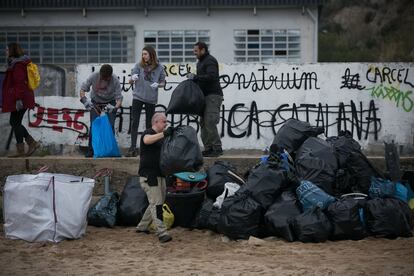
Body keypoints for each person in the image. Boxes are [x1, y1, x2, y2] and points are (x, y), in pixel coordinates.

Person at [136, 112, 173, 243]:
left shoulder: (161, 138)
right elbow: (147, 140)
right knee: (157, 205)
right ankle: (162, 233)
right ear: (156, 122)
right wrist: (164, 134)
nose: (166, 124)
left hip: (160, 175)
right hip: (149, 176)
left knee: (157, 202)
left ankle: (142, 226)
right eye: (164, 122)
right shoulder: (148, 132)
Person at [126, 46, 166, 157]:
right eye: (142, 54)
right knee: (135, 122)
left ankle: (147, 147)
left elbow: (163, 82)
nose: (143, 56)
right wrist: (132, 79)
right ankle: (133, 147)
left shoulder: (159, 67)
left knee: (149, 123)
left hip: (151, 99)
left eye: (145, 54)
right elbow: (130, 81)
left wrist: (158, 84)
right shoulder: (138, 66)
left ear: (151, 55)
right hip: (138, 97)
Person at [2, 42, 40, 157]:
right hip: (21, 97)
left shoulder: (18, 65)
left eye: (7, 50)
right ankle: (30, 144)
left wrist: (18, 100)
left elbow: (20, 83)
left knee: (15, 122)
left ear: (12, 50)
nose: (6, 51)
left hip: (21, 98)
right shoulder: (17, 63)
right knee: (15, 122)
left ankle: (24, 148)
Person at [187, 41, 223, 157]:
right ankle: (208, 148)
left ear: (203, 50)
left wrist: (196, 77)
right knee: (203, 123)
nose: (194, 53)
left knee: (210, 121)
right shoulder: (200, 63)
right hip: (204, 97)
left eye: (196, 51)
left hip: (213, 96)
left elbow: (212, 76)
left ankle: (217, 148)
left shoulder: (210, 60)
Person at [79, 64, 123, 158]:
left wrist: (114, 108)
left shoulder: (115, 80)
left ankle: (110, 150)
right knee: (94, 126)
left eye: (107, 78)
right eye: (103, 77)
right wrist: (84, 101)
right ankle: (91, 151)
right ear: (100, 74)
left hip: (110, 102)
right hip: (96, 102)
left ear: (110, 76)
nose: (105, 80)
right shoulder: (94, 76)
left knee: (110, 126)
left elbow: (119, 99)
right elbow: (83, 89)